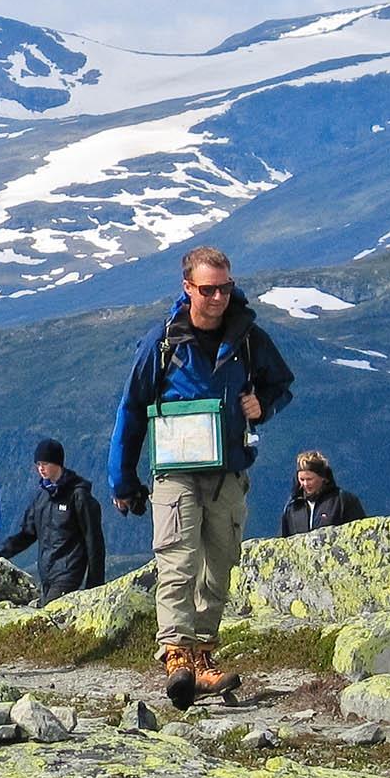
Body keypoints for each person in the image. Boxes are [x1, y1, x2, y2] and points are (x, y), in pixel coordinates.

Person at [109, 246, 294, 709]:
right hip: (174, 473)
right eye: (208, 289)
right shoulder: (162, 342)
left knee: (219, 563)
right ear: (188, 287)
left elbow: (281, 384)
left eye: (224, 288)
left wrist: (262, 406)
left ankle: (204, 658)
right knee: (176, 562)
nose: (217, 298)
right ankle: (177, 658)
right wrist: (122, 479)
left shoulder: (249, 338)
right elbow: (131, 410)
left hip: (228, 470)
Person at [0, 439, 106, 606]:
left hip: (68, 573)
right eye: (38, 464)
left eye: (45, 463)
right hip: (46, 575)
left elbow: (94, 541)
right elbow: (27, 534)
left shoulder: (78, 496)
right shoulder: (41, 497)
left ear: (57, 463)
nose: (40, 468)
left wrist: (95, 584)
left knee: (50, 618)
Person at [280, 450, 368, 537]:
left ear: (322, 477)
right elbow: (283, 541)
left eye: (310, 479)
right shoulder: (293, 507)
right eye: (302, 479)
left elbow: (361, 534)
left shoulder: (343, 501)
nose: (305, 484)